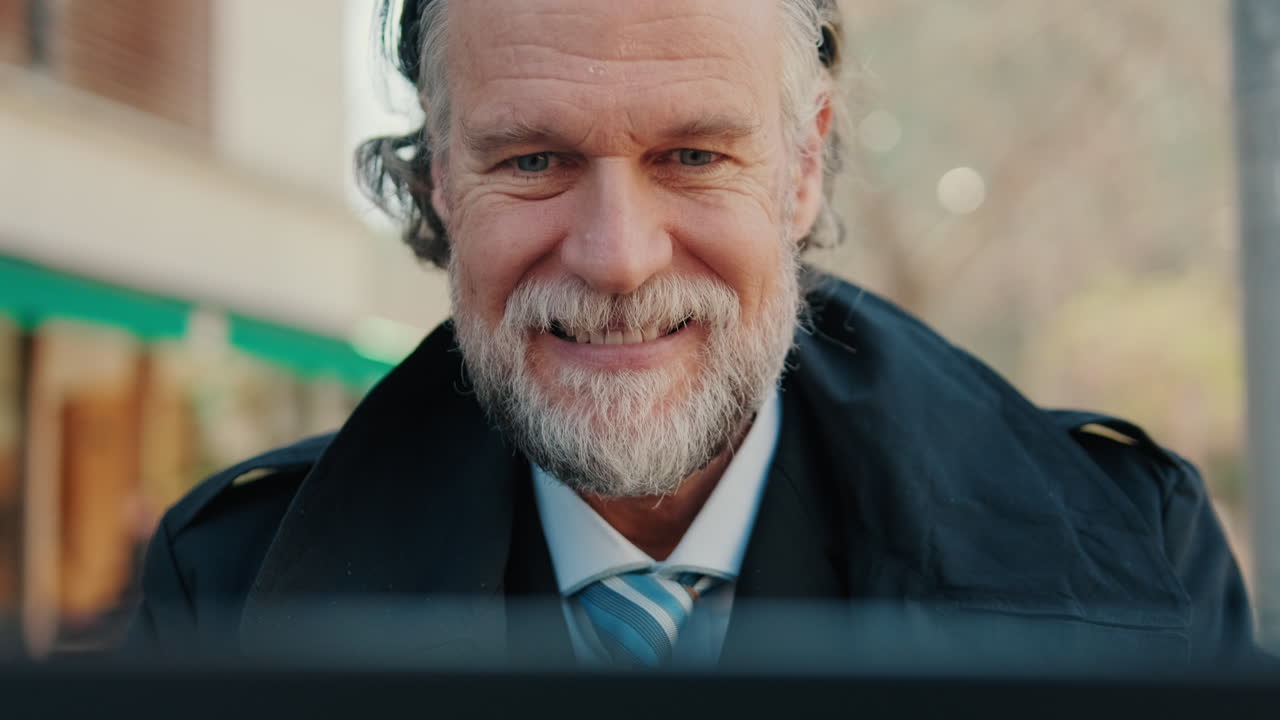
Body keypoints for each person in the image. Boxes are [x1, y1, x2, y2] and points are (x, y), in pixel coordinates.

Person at [127, 0, 1254, 668]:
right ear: (435, 185)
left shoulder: (1135, 560)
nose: (617, 256)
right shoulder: (223, 591)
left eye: (692, 156)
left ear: (803, 166)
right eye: (532, 161)